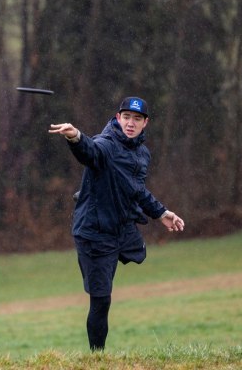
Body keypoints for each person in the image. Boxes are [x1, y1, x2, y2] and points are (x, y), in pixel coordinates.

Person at [48, 96, 185, 352]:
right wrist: (75, 137)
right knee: (101, 300)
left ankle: (117, 254)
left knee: (138, 252)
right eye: (126, 117)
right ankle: (97, 358)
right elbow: (91, 151)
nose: (130, 123)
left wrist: (161, 212)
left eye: (136, 119)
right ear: (117, 117)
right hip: (94, 233)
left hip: (120, 229)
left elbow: (137, 190)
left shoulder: (142, 153)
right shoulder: (107, 144)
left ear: (145, 123)